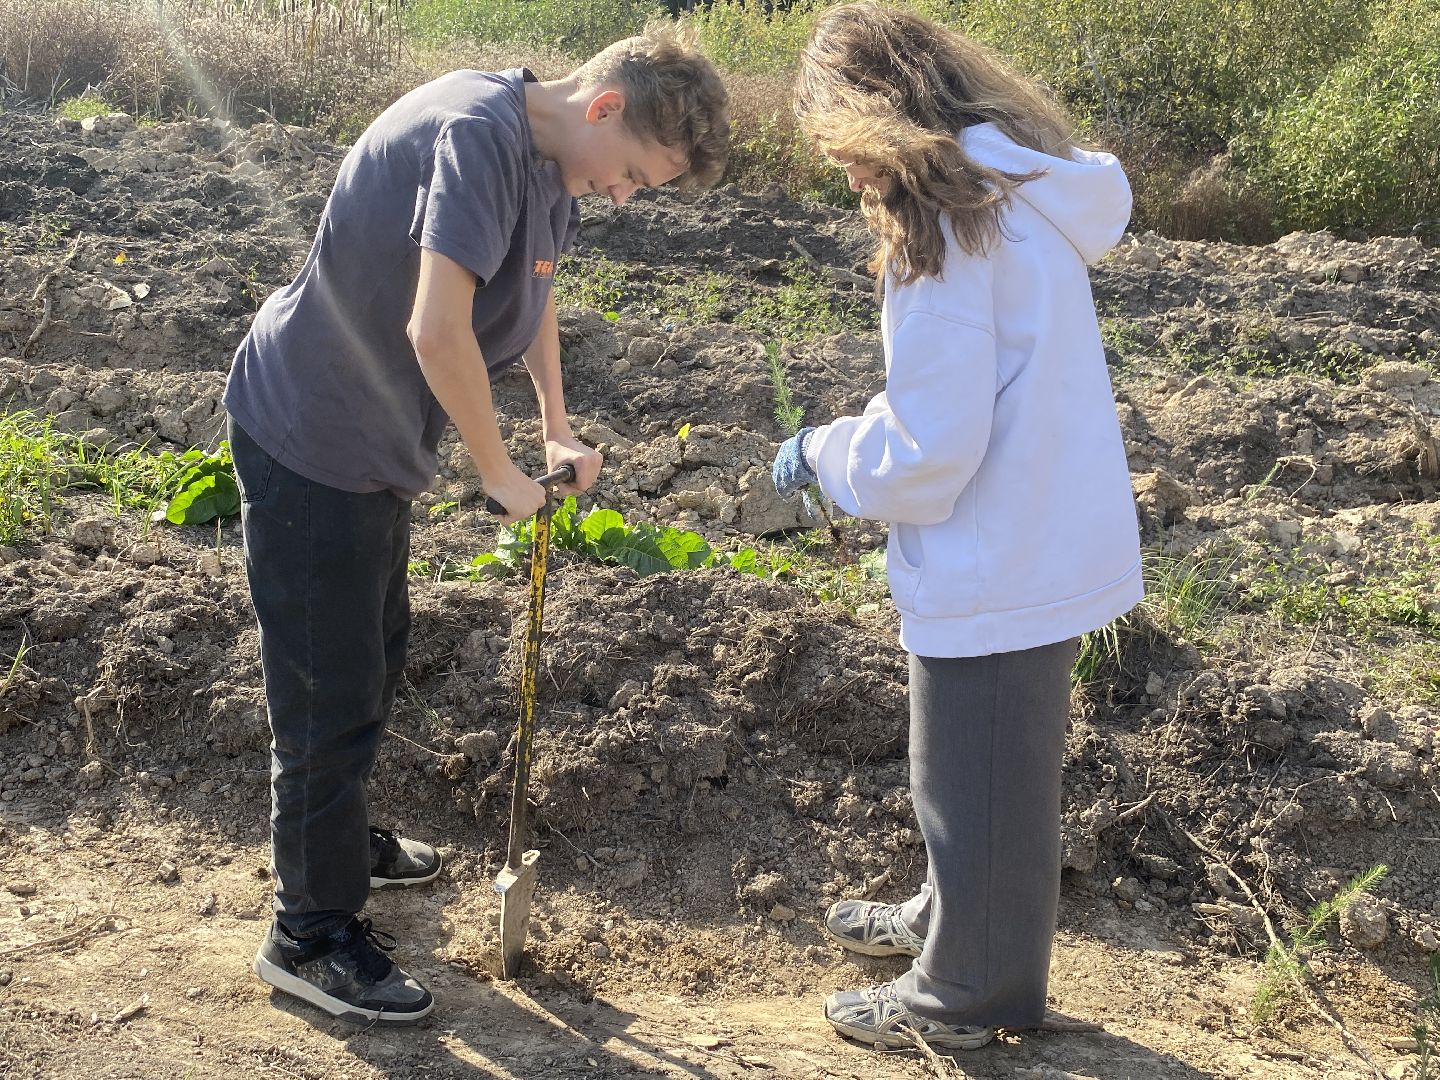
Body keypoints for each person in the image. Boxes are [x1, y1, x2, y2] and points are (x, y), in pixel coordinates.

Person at [224, 22, 729, 1025]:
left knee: (374, 646)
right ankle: (308, 932)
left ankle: (336, 840)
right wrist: (497, 473)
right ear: (603, 107)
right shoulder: (478, 141)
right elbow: (436, 327)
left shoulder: (552, 160)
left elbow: (530, 290)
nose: (624, 195)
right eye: (631, 172)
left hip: (370, 447)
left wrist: (552, 422)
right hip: (314, 435)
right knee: (329, 686)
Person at [771, 2, 1142, 1053]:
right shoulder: (1018, 192)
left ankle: (965, 993)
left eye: (838, 145)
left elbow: (930, 447)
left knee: (971, 769)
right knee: (987, 773)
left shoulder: (942, 226)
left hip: (1000, 546)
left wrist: (824, 453)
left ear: (872, 119)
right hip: (1041, 529)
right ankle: (951, 922)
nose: (842, 172)